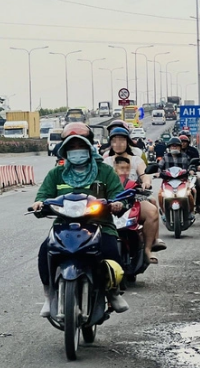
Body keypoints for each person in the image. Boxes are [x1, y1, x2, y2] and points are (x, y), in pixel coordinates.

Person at [32, 122, 129, 317]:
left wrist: (119, 204)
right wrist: (39, 205)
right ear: (65, 151)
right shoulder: (56, 174)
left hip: (99, 224)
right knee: (45, 252)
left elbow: (120, 196)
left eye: (81, 147)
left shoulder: (104, 171)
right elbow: (42, 197)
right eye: (72, 148)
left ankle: (113, 292)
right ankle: (49, 295)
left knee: (111, 251)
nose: (77, 152)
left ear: (89, 148)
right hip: (63, 225)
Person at [104, 127, 166, 264]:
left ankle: (147, 250)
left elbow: (144, 175)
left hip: (133, 198)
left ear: (127, 142)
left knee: (152, 212)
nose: (118, 143)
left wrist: (146, 183)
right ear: (111, 143)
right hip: (110, 200)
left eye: (121, 140)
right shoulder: (105, 162)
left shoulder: (136, 160)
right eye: (115, 140)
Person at [158, 137, 197, 219]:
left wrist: (192, 170)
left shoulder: (185, 157)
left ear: (180, 147)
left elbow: (191, 165)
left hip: (182, 180)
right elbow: (159, 167)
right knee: (160, 194)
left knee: (190, 193)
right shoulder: (165, 157)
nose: (174, 147)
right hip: (167, 181)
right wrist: (157, 173)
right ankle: (163, 212)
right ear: (169, 147)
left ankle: (191, 211)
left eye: (177, 146)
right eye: (172, 146)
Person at [179, 134, 200, 212]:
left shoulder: (192, 151)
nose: (183, 144)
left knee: (198, 181)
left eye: (184, 142)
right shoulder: (174, 153)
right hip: (176, 175)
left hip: (189, 173)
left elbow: (195, 162)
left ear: (188, 142)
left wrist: (195, 168)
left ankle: (198, 204)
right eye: (181, 142)